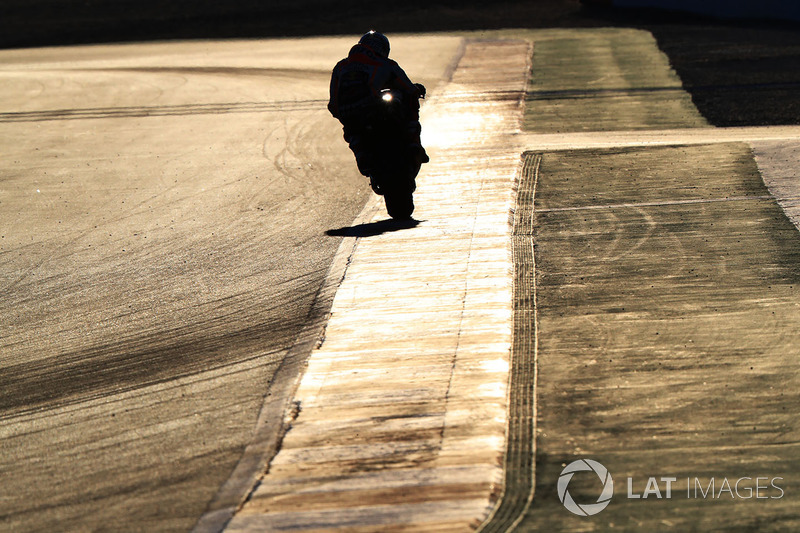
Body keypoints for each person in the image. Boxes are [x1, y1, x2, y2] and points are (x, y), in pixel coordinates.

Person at [328, 31, 429, 177]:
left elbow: (333, 104)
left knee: (351, 130)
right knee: (409, 102)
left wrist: (344, 114)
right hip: (373, 109)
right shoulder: (386, 63)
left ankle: (361, 152)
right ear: (384, 49)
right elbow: (409, 89)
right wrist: (417, 89)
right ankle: (414, 144)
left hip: (350, 114)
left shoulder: (341, 66)